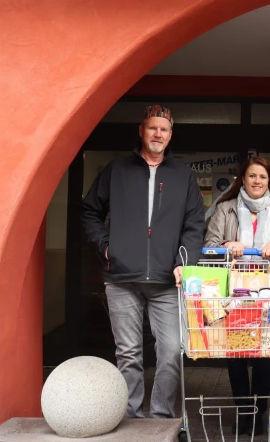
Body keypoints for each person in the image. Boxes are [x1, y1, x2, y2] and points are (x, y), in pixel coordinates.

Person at [81, 105, 205, 419]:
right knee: (128, 354)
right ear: (141, 131)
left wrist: (184, 261)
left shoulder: (183, 176)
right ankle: (131, 419)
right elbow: (90, 212)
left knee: (171, 352)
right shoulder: (117, 170)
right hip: (121, 279)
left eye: (163, 129)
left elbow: (194, 225)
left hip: (167, 280)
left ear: (171, 135)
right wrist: (106, 247)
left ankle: (161, 419)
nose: (157, 134)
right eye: (152, 128)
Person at [204, 156, 270, 436]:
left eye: (263, 177)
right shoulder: (225, 208)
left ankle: (260, 410)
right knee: (236, 352)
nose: (257, 181)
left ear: (269, 181)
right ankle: (243, 410)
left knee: (264, 352)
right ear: (243, 179)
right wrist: (227, 244)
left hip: (267, 291)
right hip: (235, 292)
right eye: (252, 176)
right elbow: (209, 243)